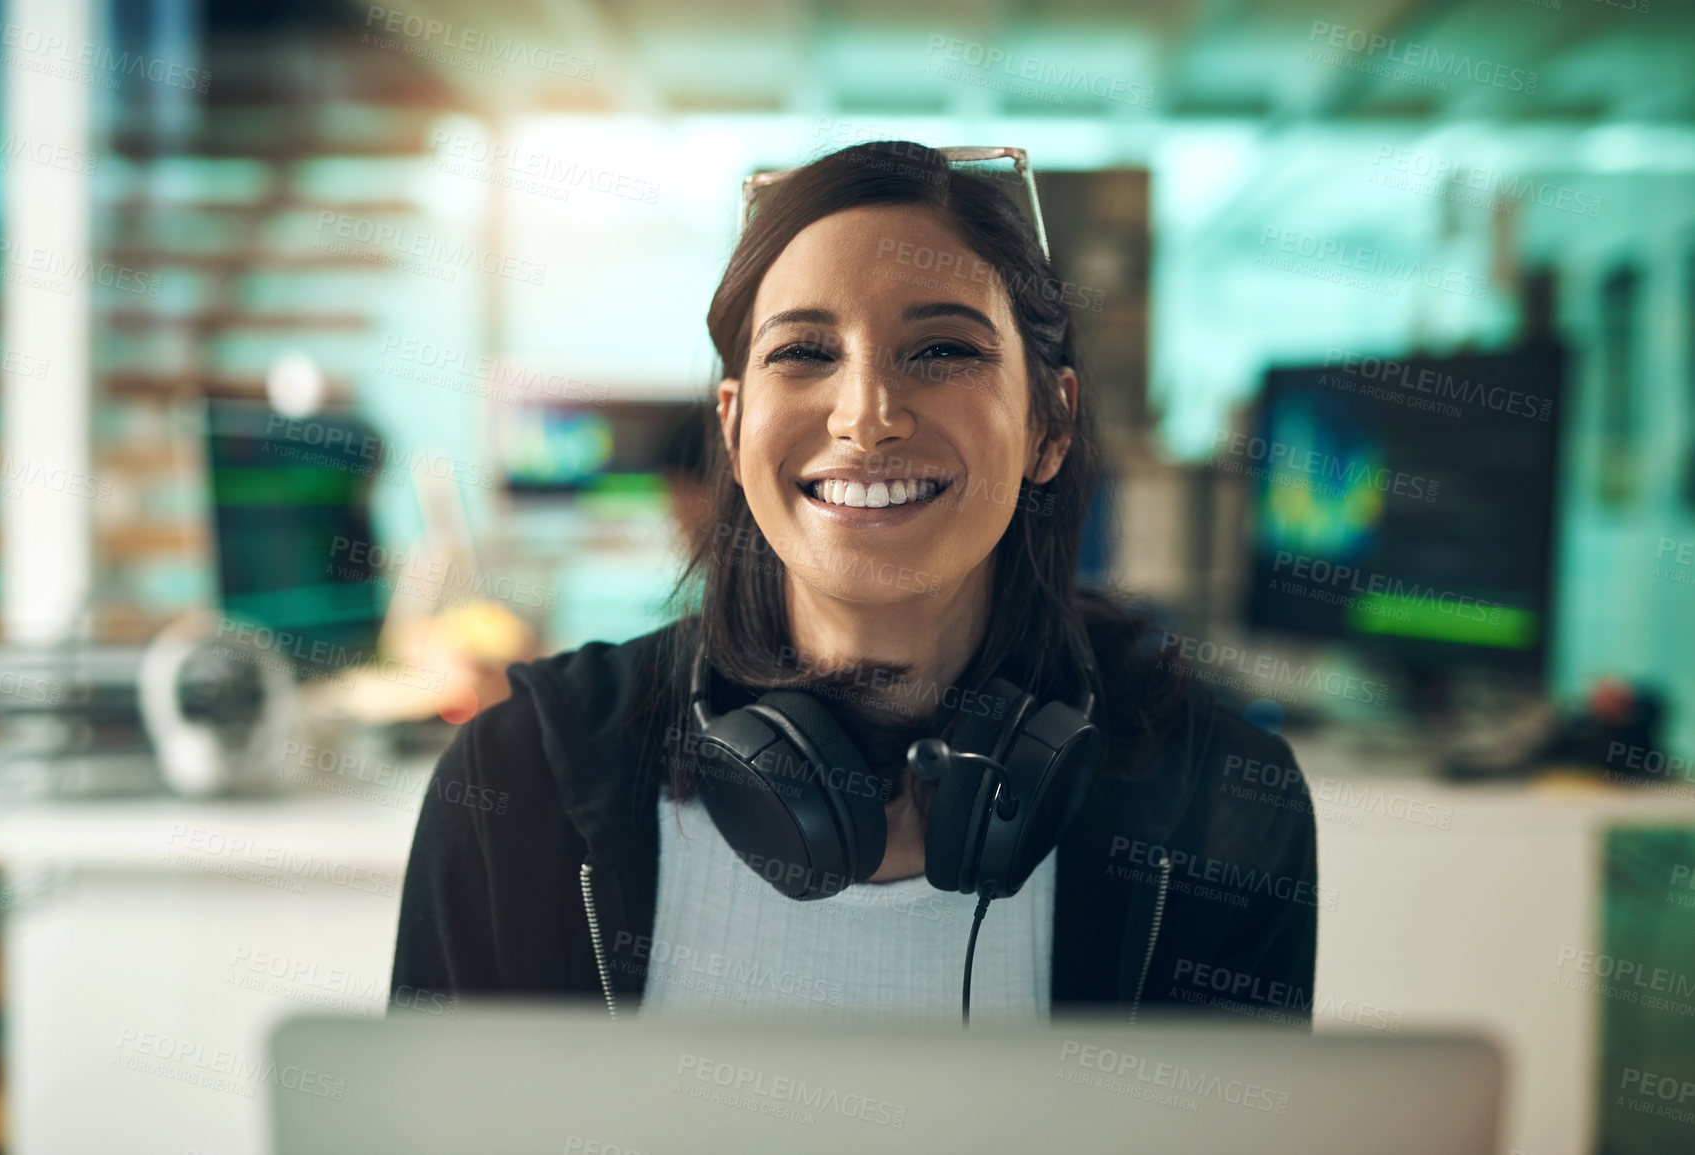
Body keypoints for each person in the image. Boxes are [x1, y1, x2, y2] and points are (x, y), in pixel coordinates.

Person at [391, 141, 1319, 1027]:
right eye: (803, 352)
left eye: (943, 350)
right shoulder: (521, 779)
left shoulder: (1219, 805)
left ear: (1050, 423)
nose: (866, 416)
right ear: (734, 421)